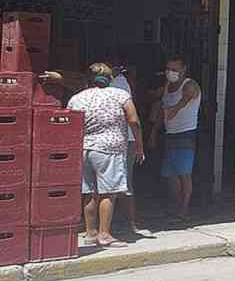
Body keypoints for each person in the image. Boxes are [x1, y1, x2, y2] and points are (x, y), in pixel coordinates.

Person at [67, 63, 141, 247]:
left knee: (89, 192)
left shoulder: (77, 98)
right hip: (110, 149)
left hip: (84, 148)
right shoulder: (120, 95)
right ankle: (105, 234)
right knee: (108, 192)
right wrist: (139, 144)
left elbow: (70, 123)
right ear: (110, 78)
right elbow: (133, 120)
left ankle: (91, 233)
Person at [149, 56, 201, 224]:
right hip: (170, 134)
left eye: (174, 69)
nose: (170, 72)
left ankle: (184, 210)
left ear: (183, 69)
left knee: (184, 174)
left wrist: (171, 111)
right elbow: (162, 112)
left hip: (186, 134)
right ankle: (177, 206)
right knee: (171, 175)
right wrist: (154, 133)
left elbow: (181, 104)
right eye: (168, 69)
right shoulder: (167, 87)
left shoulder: (190, 85)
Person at [110, 62, 144, 234]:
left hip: (123, 141)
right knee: (120, 183)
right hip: (121, 140)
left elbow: (133, 120)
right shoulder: (119, 83)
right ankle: (125, 223)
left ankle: (129, 223)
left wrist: (138, 144)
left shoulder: (119, 83)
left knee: (120, 183)